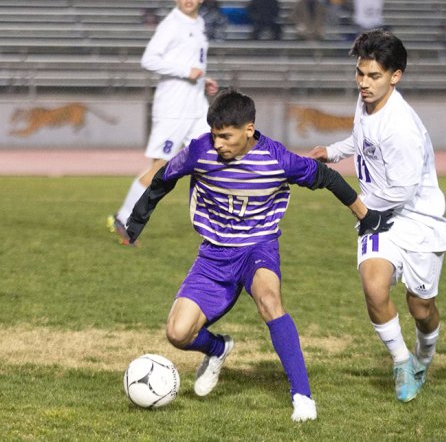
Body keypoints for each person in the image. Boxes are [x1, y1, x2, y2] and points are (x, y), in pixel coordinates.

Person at [124, 88, 393, 420]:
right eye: (214, 135)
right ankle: (218, 348)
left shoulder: (277, 159)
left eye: (226, 136)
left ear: (249, 129)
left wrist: (364, 215)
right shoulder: (200, 151)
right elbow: (164, 176)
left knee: (269, 300)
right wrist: (135, 222)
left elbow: (326, 176)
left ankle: (303, 397)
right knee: (177, 334)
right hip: (214, 255)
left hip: (258, 248)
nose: (218, 143)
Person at [308, 30, 446, 403]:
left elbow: (402, 191)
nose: (364, 83)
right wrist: (334, 151)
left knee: (421, 308)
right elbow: (362, 139)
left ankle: (423, 353)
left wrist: (360, 207)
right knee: (374, 286)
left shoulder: (402, 128)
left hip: (418, 220)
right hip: (378, 215)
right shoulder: (366, 101)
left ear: (395, 76)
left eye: (373, 76)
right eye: (360, 74)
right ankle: (402, 361)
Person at [108, 0, 218, 245]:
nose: (188, 0)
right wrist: (185, 72)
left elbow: (190, 61)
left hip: (196, 106)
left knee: (214, 154)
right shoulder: (171, 24)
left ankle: (219, 222)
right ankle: (123, 218)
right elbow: (148, 59)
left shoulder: (199, 22)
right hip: (173, 109)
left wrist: (202, 79)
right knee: (160, 168)